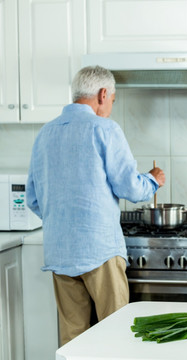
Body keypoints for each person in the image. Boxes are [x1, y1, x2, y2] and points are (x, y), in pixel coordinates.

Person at [26, 65, 165, 345]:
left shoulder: (45, 134)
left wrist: (61, 222)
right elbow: (129, 187)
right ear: (103, 94)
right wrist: (153, 181)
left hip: (59, 252)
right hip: (99, 249)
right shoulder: (104, 129)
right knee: (115, 334)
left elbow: (32, 198)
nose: (110, 107)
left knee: (72, 338)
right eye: (112, 100)